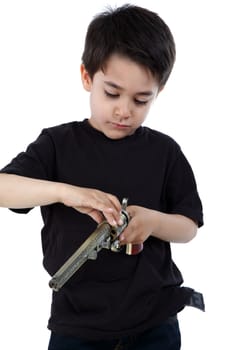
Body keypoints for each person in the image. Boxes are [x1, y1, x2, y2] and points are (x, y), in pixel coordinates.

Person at [0, 4, 204, 350]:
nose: (124, 110)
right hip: (76, 324)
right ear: (86, 77)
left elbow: (189, 227)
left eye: (142, 100)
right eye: (112, 93)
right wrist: (67, 193)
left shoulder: (165, 151)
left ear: (159, 92)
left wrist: (153, 222)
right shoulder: (57, 144)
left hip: (155, 321)